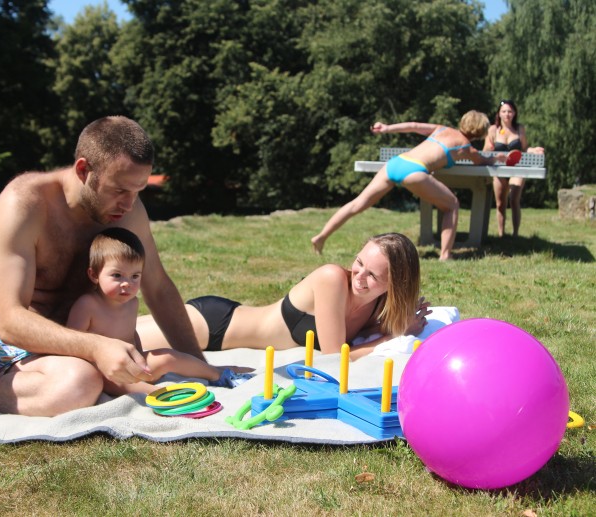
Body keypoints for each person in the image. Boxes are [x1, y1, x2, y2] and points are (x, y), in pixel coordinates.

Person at [0, 116, 208, 416]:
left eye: (138, 191)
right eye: (119, 190)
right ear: (83, 170)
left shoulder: (129, 213)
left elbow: (158, 287)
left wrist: (200, 367)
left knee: (81, 383)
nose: (129, 204)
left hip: (41, 356)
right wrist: (96, 347)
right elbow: (8, 322)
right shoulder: (26, 201)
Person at [137, 233, 432, 361]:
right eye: (359, 262)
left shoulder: (374, 304)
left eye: (373, 275)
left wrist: (396, 326)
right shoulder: (332, 279)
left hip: (221, 330)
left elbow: (357, 332)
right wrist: (392, 338)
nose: (359, 276)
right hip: (215, 326)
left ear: (394, 286)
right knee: (120, 336)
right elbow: (335, 357)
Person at [67, 228, 249, 394]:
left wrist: (140, 356)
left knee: (168, 357)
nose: (127, 283)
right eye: (117, 275)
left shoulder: (131, 303)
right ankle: (158, 394)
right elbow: (73, 345)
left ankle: (218, 374)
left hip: (134, 363)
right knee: (116, 382)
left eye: (135, 276)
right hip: (105, 372)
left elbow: (131, 333)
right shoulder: (87, 305)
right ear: (94, 275)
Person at [311, 111, 507, 260]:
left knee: (357, 203)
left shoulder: (442, 129)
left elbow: (414, 125)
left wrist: (387, 128)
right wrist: (498, 158)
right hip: (414, 171)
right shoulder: (466, 147)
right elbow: (482, 161)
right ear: (480, 131)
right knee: (452, 205)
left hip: (397, 163)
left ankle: (321, 237)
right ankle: (445, 255)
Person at [483, 99, 545, 237]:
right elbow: (485, 151)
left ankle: (515, 235)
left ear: (514, 113)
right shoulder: (493, 130)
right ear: (499, 113)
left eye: (510, 111)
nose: (507, 114)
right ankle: (501, 234)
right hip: (498, 170)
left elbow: (525, 149)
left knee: (514, 199)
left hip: (517, 169)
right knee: (500, 203)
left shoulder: (519, 129)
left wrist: (534, 150)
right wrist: (491, 150)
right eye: (504, 111)